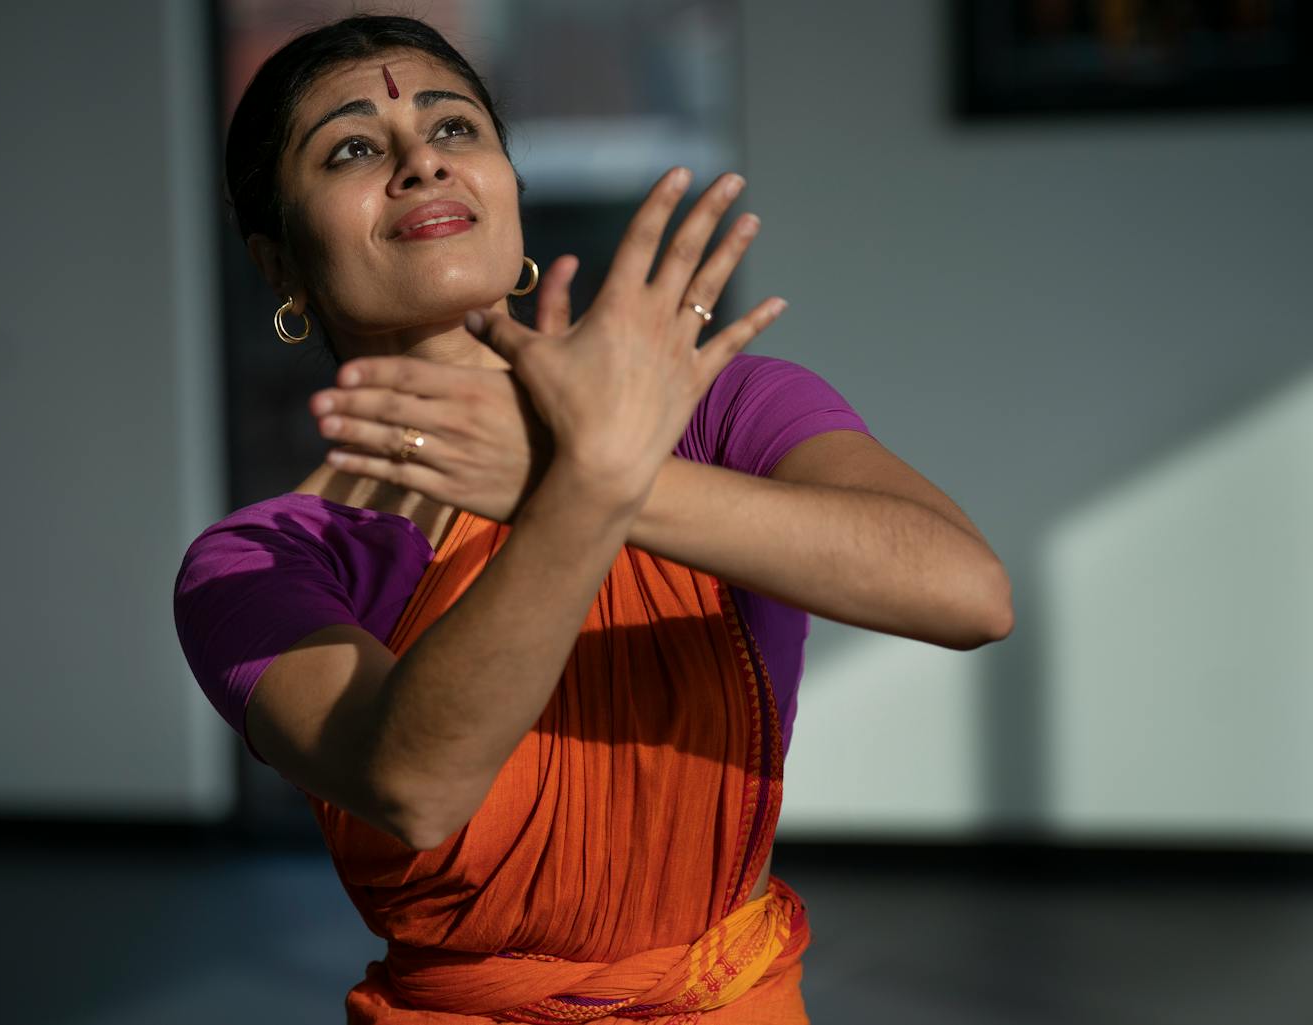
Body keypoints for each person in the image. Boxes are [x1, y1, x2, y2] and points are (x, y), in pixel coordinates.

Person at [173, 14, 1013, 1024]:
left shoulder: (714, 407)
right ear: (278, 266)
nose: (420, 164)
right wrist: (582, 495)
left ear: (509, 192)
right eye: (353, 148)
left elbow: (966, 592)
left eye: (455, 131)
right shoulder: (260, 560)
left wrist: (592, 479)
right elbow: (416, 786)